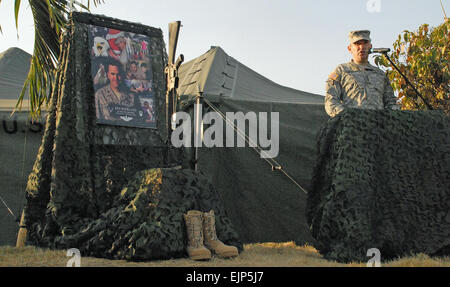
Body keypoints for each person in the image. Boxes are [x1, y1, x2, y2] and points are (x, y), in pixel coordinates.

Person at [325, 30, 400, 117]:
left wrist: (388, 118)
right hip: (351, 125)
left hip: (377, 126)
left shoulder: (380, 74)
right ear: (349, 48)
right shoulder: (341, 71)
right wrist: (346, 116)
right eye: (357, 44)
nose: (362, 47)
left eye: (365, 43)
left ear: (370, 46)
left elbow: (390, 102)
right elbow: (330, 100)